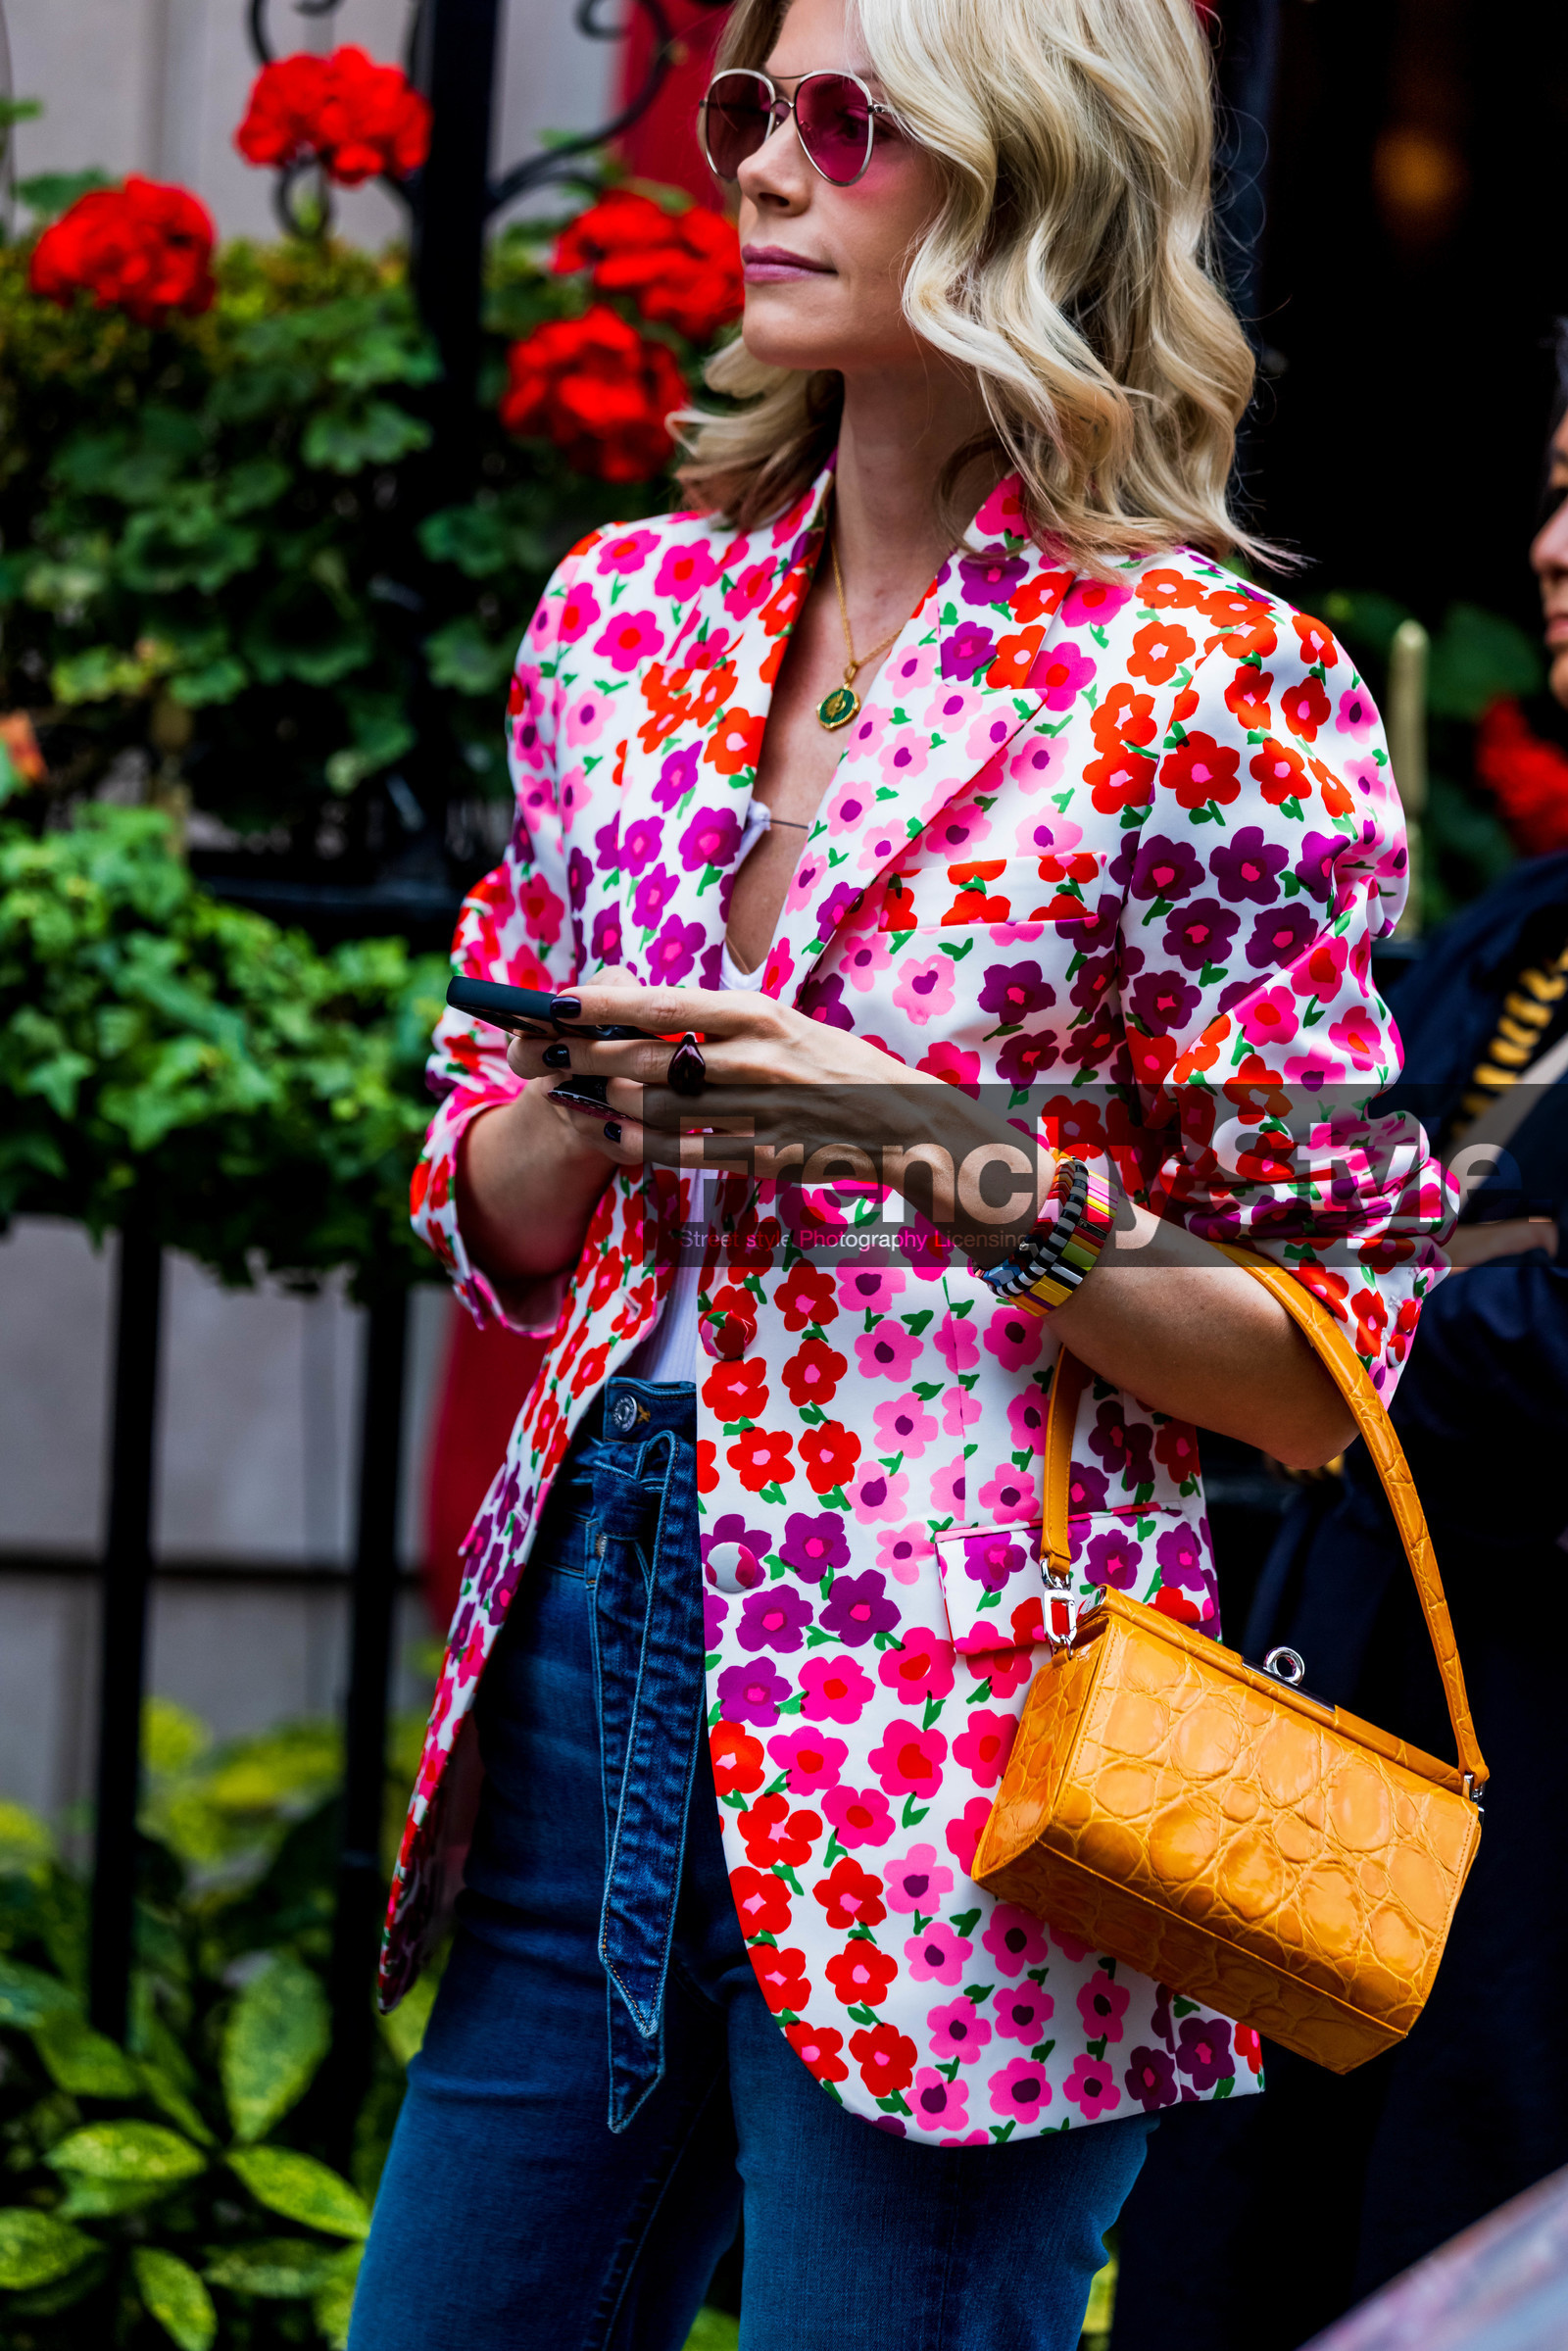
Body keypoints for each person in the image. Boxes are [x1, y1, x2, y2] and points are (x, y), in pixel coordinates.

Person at [348, 4, 1448, 2346]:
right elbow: (479, 1195)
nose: (761, 168)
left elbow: (1315, 1357)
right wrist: (589, 1113)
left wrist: (926, 1147)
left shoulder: (1209, 685)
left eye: (845, 123)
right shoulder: (618, 621)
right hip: (586, 1632)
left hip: (966, 1716)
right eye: (752, 109)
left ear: (1029, 170)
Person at [1109, 365, 1568, 2351]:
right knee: (1243, 2258)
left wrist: (1318, 1302)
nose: (1547, 547)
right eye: (1552, 488)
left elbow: (1512, 1348)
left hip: (1538, 1812)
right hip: (1340, 1755)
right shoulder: (1519, 929)